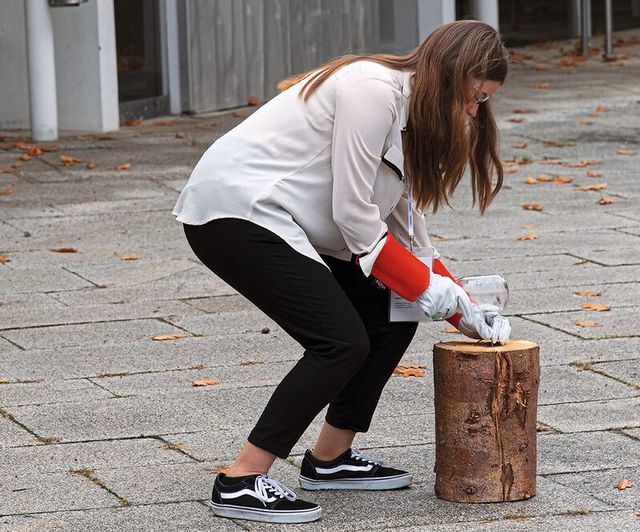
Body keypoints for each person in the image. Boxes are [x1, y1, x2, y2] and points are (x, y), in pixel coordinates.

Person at [173, 20, 512, 524]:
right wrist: (434, 292)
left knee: (393, 312)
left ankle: (329, 459)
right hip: (235, 212)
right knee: (340, 341)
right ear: (452, 74)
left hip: (281, 217)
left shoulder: (412, 118)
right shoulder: (371, 90)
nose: (473, 111)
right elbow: (354, 215)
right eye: (475, 96)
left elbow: (411, 242)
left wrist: (465, 311)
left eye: (483, 101)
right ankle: (241, 480)